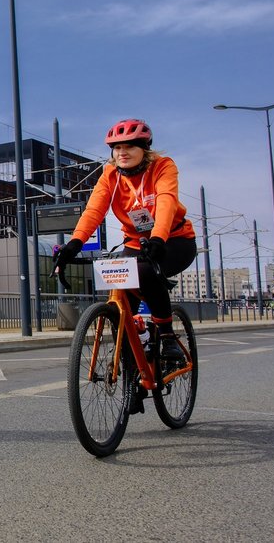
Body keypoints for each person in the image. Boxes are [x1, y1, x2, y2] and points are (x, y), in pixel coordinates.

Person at [54, 119, 197, 366]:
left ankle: (167, 336)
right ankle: (136, 362)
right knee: (122, 308)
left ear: (145, 148)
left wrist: (158, 237)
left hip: (174, 239)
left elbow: (166, 202)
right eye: (117, 148)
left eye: (129, 147)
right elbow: (93, 211)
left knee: (144, 271)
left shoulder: (163, 166)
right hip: (136, 242)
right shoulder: (110, 174)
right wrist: (73, 244)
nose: (122, 153)